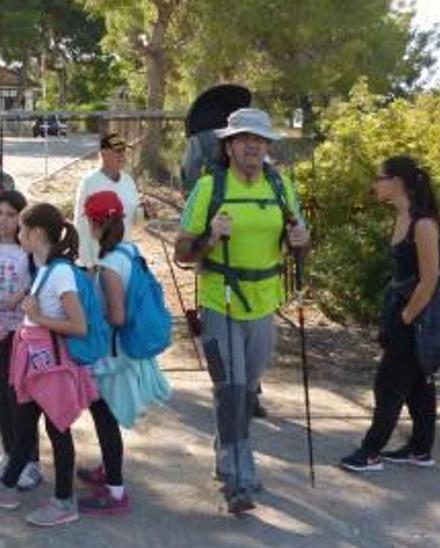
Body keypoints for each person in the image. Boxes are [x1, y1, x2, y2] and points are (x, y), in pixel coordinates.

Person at [173, 108, 309, 514]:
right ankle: (239, 476)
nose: (254, 146)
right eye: (245, 139)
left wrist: (302, 240)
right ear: (229, 146)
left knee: (246, 391)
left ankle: (225, 449)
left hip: (265, 303)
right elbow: (183, 252)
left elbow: (299, 245)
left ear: (267, 147)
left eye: (261, 140)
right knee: (229, 388)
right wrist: (211, 238)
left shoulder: (280, 186)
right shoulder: (209, 187)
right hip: (221, 300)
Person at [0, 202, 98, 528]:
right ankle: (7, 487)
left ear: (36, 234)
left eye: (21, 229)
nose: (17, 233)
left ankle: (63, 501)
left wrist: (37, 316)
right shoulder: (45, 267)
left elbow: (78, 325)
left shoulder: (59, 272)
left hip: (53, 368)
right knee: (24, 425)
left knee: (58, 430)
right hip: (37, 364)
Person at [341, 156, 440, 473]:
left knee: (388, 385)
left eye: (379, 178)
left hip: (416, 318)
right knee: (418, 384)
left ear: (397, 182)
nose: (374, 184)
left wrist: (404, 319)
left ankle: (371, 452)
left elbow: (430, 280)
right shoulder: (402, 218)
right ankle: (420, 449)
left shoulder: (424, 225)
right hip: (403, 312)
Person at [74, 191, 173, 516]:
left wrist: (89, 310)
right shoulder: (130, 251)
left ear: (92, 222)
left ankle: (115, 492)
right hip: (128, 347)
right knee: (107, 415)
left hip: (115, 353)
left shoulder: (110, 265)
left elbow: (116, 316)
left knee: (105, 416)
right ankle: (107, 468)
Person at [0, 191, 43, 491]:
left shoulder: (31, 251)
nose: (3, 220)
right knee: (1, 394)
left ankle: (31, 463)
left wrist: (22, 297)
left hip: (24, 334)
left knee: (22, 397)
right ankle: (9, 454)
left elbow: (42, 288)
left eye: (11, 214)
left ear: (22, 218)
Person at [73, 133, 149, 268]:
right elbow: (81, 224)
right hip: (97, 258)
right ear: (103, 154)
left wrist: (146, 212)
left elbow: (136, 222)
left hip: (123, 256)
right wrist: (87, 263)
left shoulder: (128, 181)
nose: (121, 156)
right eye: (116, 151)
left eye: (123, 151)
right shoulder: (89, 183)